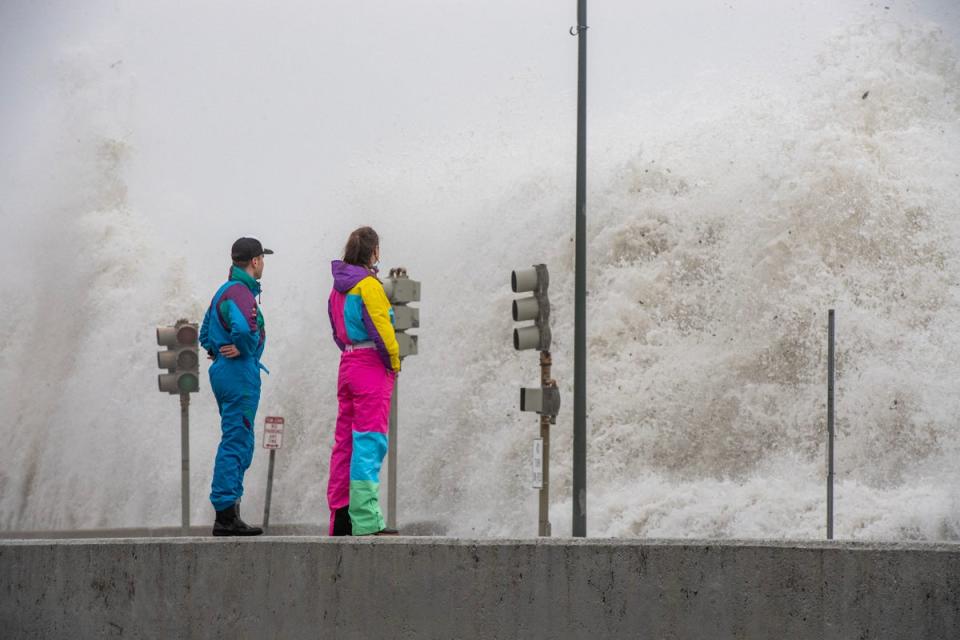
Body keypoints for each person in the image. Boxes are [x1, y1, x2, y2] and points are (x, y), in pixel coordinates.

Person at [326, 226, 401, 536]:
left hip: (347, 363)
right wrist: (394, 364)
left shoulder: (337, 289)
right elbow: (383, 333)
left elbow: (335, 331)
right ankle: (367, 521)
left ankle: (340, 518)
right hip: (370, 368)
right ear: (374, 253)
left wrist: (351, 353)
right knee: (369, 442)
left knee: (344, 443)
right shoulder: (369, 286)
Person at [199, 237, 273, 536]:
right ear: (254, 261)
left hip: (225, 372)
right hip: (238, 372)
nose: (264, 263)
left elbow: (204, 331)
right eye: (262, 259)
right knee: (237, 440)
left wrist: (217, 348)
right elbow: (244, 330)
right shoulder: (241, 292)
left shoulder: (223, 291)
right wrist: (242, 349)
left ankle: (230, 511)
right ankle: (226, 515)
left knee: (237, 436)